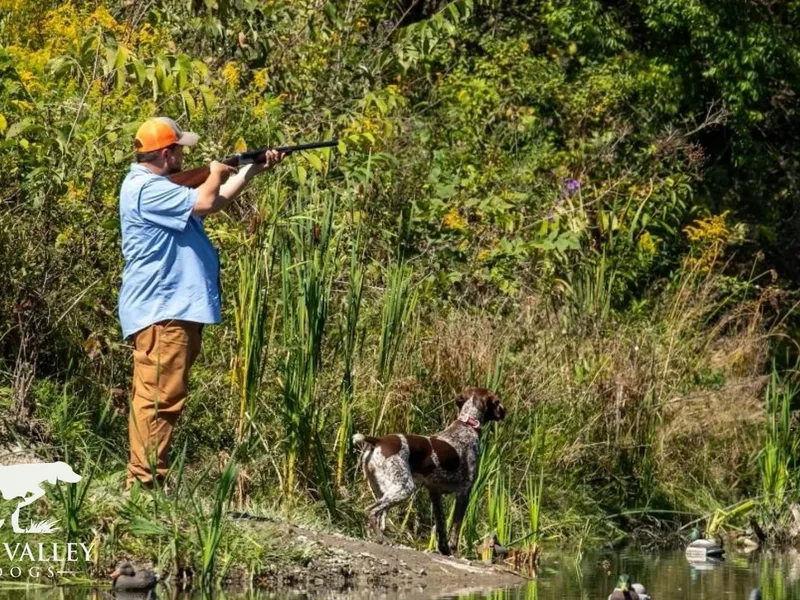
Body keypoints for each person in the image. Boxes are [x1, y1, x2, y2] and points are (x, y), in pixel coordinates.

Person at [118, 116, 284, 489]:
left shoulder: (158, 188)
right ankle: (144, 481)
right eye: (179, 149)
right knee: (158, 397)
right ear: (166, 153)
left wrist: (250, 170)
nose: (183, 155)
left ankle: (147, 478)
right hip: (164, 310)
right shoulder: (148, 190)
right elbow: (208, 199)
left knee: (163, 394)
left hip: (173, 309)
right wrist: (214, 171)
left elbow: (216, 200)